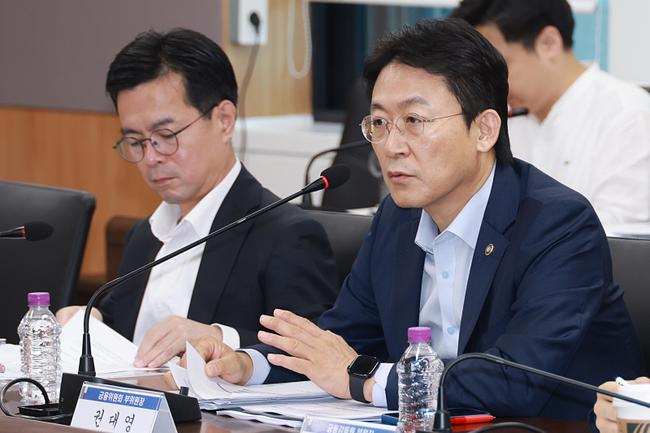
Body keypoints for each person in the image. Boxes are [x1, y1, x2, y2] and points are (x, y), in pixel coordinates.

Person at [183, 18, 643, 421]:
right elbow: (341, 337)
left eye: (415, 121)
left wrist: (361, 378)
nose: (391, 146)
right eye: (380, 123)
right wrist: (249, 364)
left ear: (484, 129)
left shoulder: (558, 225)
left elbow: (516, 379)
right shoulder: (396, 219)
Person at [56, 28, 339, 368]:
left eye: (166, 135)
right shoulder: (144, 235)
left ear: (224, 120)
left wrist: (220, 338)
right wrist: (93, 323)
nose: (151, 157)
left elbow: (316, 357)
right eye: (135, 141)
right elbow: (128, 334)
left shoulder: (286, 236)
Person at [451, 0, 650, 231]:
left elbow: (618, 235)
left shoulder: (627, 115)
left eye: (498, 68)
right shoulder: (498, 119)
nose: (488, 86)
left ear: (548, 43)